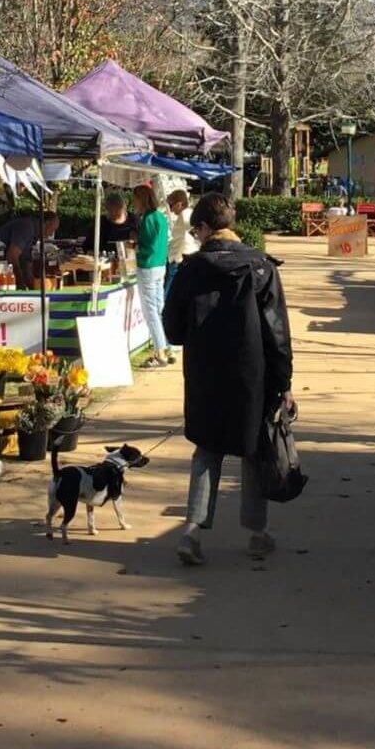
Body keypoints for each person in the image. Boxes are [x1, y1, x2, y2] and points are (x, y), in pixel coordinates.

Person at [163, 193, 293, 565]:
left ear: (204, 228)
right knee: (253, 449)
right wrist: (283, 381)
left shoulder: (191, 270)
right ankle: (257, 532)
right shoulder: (261, 267)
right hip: (253, 371)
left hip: (205, 370)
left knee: (207, 448)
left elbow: (172, 329)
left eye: (195, 230)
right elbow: (277, 330)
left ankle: (191, 531)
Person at [133, 184, 172, 367]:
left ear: (142, 199)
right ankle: (166, 346)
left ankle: (160, 352)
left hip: (148, 266)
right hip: (160, 265)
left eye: (135, 199)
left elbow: (148, 246)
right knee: (159, 307)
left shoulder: (148, 218)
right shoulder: (161, 217)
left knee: (151, 312)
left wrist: (135, 246)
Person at [0, 209, 60, 289]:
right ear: (46, 223)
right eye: (52, 229)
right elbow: (12, 256)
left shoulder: (34, 234)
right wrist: (21, 282)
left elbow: (27, 262)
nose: (51, 234)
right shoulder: (27, 227)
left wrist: (32, 286)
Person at [165, 189, 197, 290]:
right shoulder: (187, 213)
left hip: (178, 258)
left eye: (171, 206)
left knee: (169, 291)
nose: (171, 210)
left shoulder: (185, 214)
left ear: (179, 204)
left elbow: (193, 228)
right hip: (181, 257)